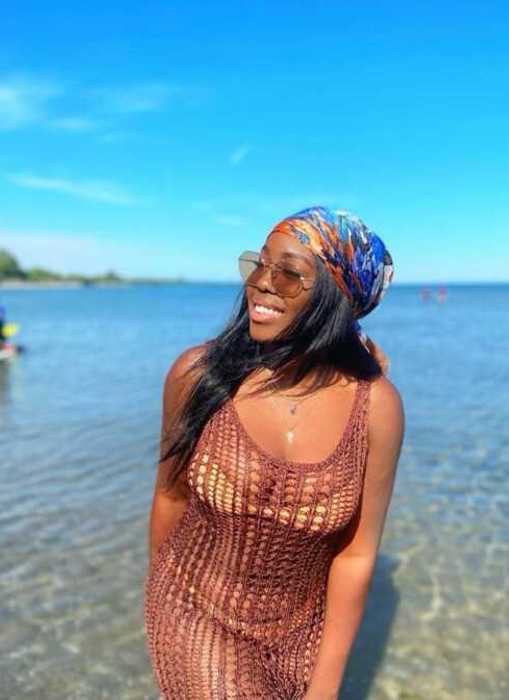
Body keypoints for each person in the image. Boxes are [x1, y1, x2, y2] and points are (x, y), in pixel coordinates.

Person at [144, 206, 404, 699]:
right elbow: (170, 497)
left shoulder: (376, 408)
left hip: (300, 635)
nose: (262, 283)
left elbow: (356, 554)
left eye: (288, 274)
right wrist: (164, 611)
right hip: (195, 607)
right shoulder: (199, 376)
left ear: (336, 297)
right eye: (259, 264)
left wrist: (325, 687)